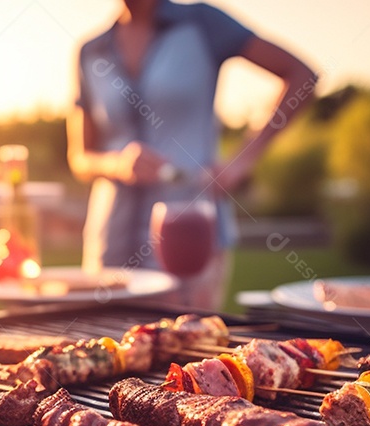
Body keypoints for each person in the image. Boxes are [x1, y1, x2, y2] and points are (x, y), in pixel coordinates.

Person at [68, 0, 316, 310]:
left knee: (183, 343)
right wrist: (116, 164)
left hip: (189, 233)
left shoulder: (202, 23)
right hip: (111, 241)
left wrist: (242, 160)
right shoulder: (91, 50)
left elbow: (301, 76)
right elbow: (79, 156)